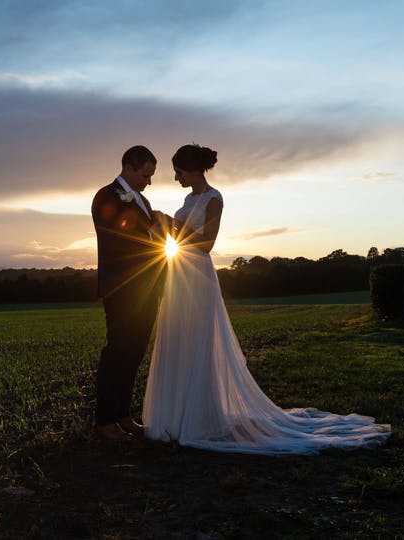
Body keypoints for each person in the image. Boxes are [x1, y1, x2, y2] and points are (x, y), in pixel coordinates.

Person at [143, 144, 391, 455]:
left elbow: (206, 244)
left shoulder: (213, 199)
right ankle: (176, 417)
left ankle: (200, 419)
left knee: (197, 343)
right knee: (178, 338)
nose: (176, 176)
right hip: (177, 273)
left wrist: (173, 223)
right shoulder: (188, 200)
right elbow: (177, 239)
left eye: (179, 170)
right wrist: (159, 228)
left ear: (193, 169)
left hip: (198, 276)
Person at [91, 145, 167, 441]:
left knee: (135, 352)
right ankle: (105, 420)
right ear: (129, 167)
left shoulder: (143, 200)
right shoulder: (106, 196)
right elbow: (119, 237)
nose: (148, 182)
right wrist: (154, 231)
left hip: (147, 287)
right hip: (121, 287)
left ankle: (123, 414)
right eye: (146, 175)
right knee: (117, 351)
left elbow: (154, 237)